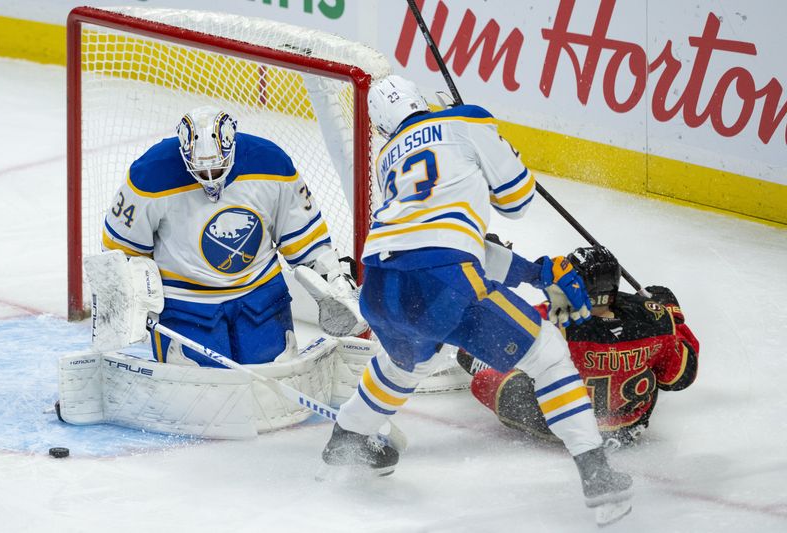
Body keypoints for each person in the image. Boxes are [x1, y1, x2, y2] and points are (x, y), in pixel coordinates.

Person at [319, 75, 633, 524]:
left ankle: (346, 439)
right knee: (547, 353)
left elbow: (442, 239)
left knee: (406, 364)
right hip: (442, 281)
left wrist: (535, 272)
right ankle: (598, 475)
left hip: (380, 288)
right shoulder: (465, 122)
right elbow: (517, 201)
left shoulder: (388, 158)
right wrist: (491, 138)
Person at [100, 105, 362, 367]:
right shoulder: (151, 175)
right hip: (186, 303)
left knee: (272, 376)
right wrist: (130, 301)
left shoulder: (271, 164)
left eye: (217, 169)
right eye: (201, 171)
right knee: (200, 388)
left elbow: (305, 238)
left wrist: (334, 279)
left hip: (260, 297)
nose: (210, 179)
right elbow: (120, 252)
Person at [459, 245, 700, 446]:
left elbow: (491, 334)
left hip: (562, 425)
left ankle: (479, 363)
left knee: (485, 377)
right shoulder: (653, 321)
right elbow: (680, 378)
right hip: (628, 427)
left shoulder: (552, 320)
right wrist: (673, 318)